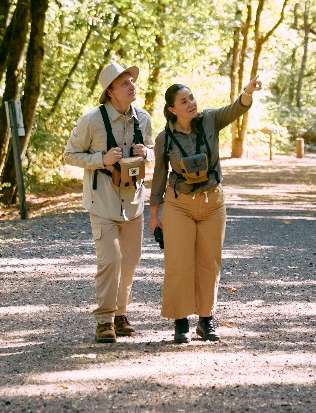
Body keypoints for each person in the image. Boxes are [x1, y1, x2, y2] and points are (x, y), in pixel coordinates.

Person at [148, 76, 262, 343]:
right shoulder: (164, 139)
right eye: (183, 101)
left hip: (213, 203)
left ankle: (206, 320)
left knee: (209, 262)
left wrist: (248, 91)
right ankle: (180, 322)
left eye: (192, 98)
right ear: (172, 110)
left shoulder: (210, 120)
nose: (191, 104)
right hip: (179, 205)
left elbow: (237, 108)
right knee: (178, 263)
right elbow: (158, 177)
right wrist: (154, 216)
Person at [64, 62, 154, 343]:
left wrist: (146, 153)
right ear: (110, 92)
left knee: (130, 261)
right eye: (124, 83)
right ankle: (104, 320)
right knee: (110, 260)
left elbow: (153, 152)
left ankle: (120, 314)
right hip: (102, 202)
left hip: (134, 202)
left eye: (132, 81)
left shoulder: (144, 118)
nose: (132, 86)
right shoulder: (90, 120)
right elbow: (69, 155)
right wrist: (100, 159)